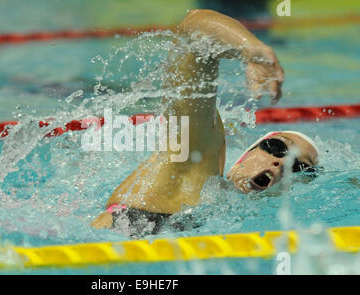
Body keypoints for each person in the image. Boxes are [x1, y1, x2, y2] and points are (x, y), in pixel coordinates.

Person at [90, 9, 319, 236]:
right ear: (245, 154)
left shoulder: (229, 218)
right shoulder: (193, 162)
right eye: (278, 147)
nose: (281, 163)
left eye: (297, 167)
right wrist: (251, 49)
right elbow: (193, 30)